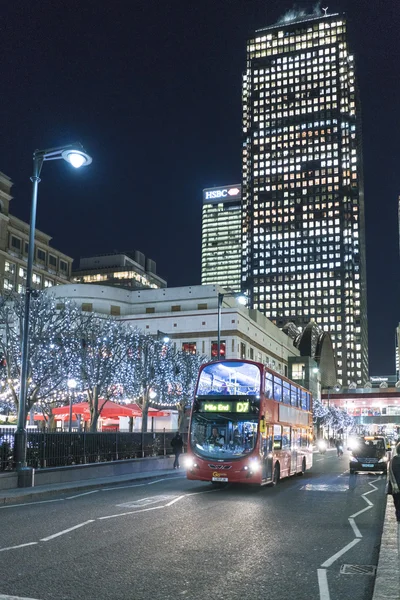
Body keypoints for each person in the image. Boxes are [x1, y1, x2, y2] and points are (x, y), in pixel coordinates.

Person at [388, 442, 400, 522]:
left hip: (395, 488)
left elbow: (392, 473)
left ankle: (398, 518)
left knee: (397, 505)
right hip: (397, 487)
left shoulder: (393, 460)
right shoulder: (395, 460)